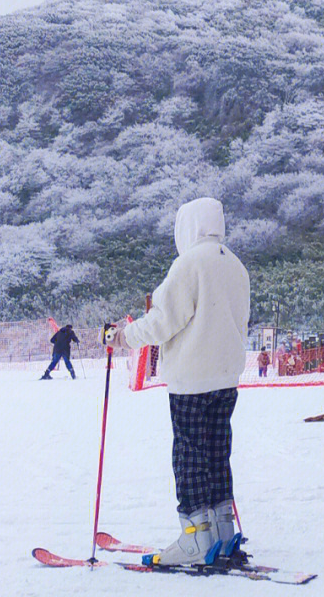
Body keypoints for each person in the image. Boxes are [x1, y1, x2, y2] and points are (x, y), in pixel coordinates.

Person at [104, 197, 251, 567]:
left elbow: (162, 321)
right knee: (218, 453)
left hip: (191, 379)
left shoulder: (188, 265)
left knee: (190, 455)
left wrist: (123, 336)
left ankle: (194, 539)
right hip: (226, 377)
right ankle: (223, 532)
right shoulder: (235, 266)